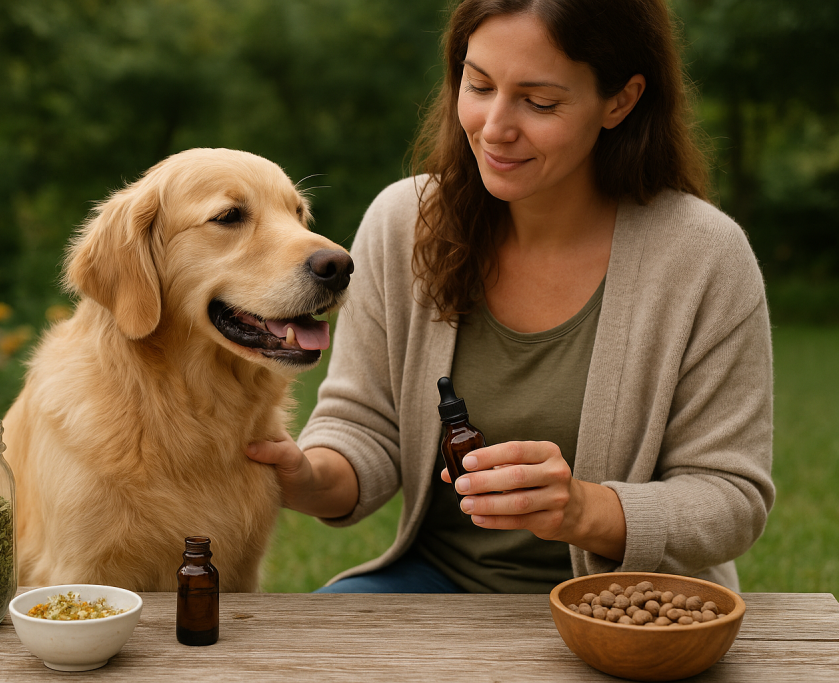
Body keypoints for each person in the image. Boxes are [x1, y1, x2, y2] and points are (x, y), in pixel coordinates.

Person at [245, 0, 774, 593]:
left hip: (636, 601)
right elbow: (364, 426)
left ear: (620, 100)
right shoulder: (404, 222)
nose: (494, 126)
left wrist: (583, 509)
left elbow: (730, 497)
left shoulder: (705, 257)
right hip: (438, 582)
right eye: (478, 85)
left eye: (540, 102)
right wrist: (307, 475)